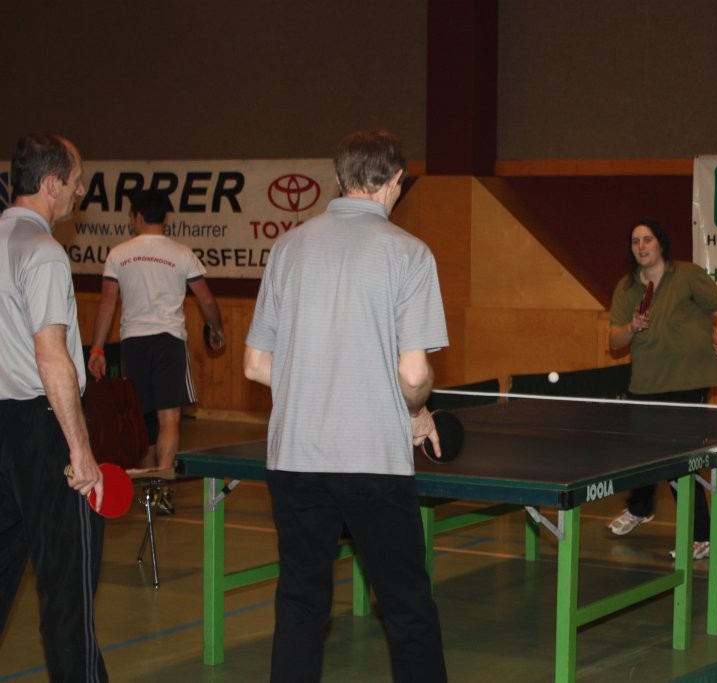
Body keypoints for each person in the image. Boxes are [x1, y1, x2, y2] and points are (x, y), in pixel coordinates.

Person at [243, 129, 448, 682]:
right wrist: (416, 411)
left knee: (300, 604)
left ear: (339, 178)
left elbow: (256, 365)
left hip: (294, 460)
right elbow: (413, 374)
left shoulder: (287, 248)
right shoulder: (409, 253)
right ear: (396, 180)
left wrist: (314, 386)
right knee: (406, 607)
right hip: (372, 461)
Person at [0, 132, 109, 680]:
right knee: (68, 589)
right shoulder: (42, 253)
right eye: (76, 181)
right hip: (42, 431)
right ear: (50, 184)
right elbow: (52, 357)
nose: (80, 191)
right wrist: (80, 451)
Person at [606, 219, 717, 561]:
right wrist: (632, 327)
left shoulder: (688, 275)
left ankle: (702, 535)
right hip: (647, 382)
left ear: (660, 244)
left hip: (689, 379)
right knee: (642, 453)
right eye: (635, 241)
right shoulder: (626, 288)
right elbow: (614, 340)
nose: (641, 246)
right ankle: (641, 507)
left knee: (680, 458)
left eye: (647, 239)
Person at [88, 189, 225, 475]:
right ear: (165, 217)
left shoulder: (118, 254)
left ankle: (149, 485)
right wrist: (216, 327)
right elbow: (207, 300)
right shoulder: (182, 253)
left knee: (141, 420)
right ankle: (162, 481)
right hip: (169, 341)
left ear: (137, 216)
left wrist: (98, 349)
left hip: (133, 344)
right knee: (170, 417)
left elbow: (107, 305)